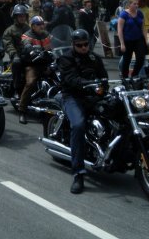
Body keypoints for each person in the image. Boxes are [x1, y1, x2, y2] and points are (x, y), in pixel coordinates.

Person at [56, 29, 108, 194]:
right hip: (72, 97)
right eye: (80, 45)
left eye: (86, 44)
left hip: (93, 96)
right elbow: (71, 79)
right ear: (73, 44)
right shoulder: (66, 59)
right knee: (78, 125)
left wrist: (105, 87)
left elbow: (104, 77)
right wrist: (88, 85)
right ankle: (78, 173)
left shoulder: (95, 58)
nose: (84, 47)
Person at [18, 15, 53, 124]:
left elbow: (54, 43)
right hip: (33, 63)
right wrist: (31, 49)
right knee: (31, 82)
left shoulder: (46, 34)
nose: (41, 26)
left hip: (46, 62)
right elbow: (26, 43)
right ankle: (22, 110)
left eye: (42, 24)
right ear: (32, 26)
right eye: (38, 24)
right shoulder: (27, 35)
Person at [2, 4, 29, 102]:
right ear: (15, 17)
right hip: (17, 55)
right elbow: (8, 44)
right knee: (17, 63)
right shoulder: (9, 30)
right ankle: (17, 90)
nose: (22, 18)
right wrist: (14, 54)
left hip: (29, 55)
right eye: (20, 16)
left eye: (24, 16)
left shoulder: (29, 28)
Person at [117, 0, 148, 79]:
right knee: (127, 60)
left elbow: (143, 28)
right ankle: (125, 77)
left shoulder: (140, 13)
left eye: (137, 4)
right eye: (134, 4)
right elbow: (119, 30)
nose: (136, 5)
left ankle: (134, 74)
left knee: (141, 58)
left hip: (138, 39)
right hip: (127, 40)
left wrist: (146, 40)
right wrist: (122, 44)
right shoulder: (123, 14)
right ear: (129, 5)